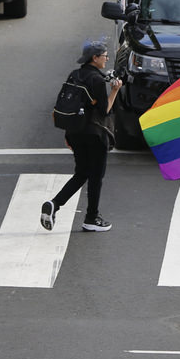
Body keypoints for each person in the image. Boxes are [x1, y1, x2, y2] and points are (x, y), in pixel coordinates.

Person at [40, 41, 122, 233]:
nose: (107, 58)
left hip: (75, 132)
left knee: (82, 172)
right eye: (104, 55)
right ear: (95, 58)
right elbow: (105, 110)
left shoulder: (74, 75)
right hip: (95, 134)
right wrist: (115, 91)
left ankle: (55, 204)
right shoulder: (97, 81)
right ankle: (91, 218)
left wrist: (69, 134)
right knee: (96, 177)